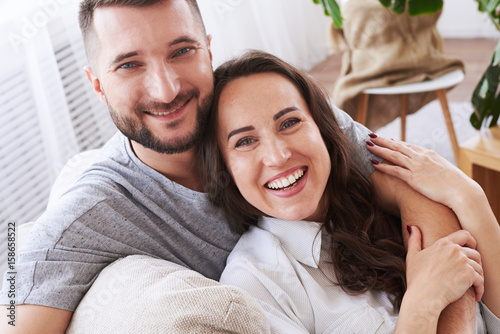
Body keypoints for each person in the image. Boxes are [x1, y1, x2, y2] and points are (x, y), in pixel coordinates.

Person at [0, 1, 477, 332]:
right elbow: (14, 259)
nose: (166, 89)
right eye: (129, 64)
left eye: (181, 51)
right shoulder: (94, 210)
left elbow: (413, 187)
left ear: (208, 47)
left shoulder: (269, 109)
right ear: (97, 83)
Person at [202, 50, 500, 333]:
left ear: (323, 129)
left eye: (289, 122)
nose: (278, 155)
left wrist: (470, 197)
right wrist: (422, 303)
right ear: (225, 168)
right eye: (245, 141)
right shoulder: (255, 283)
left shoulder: (396, 196)